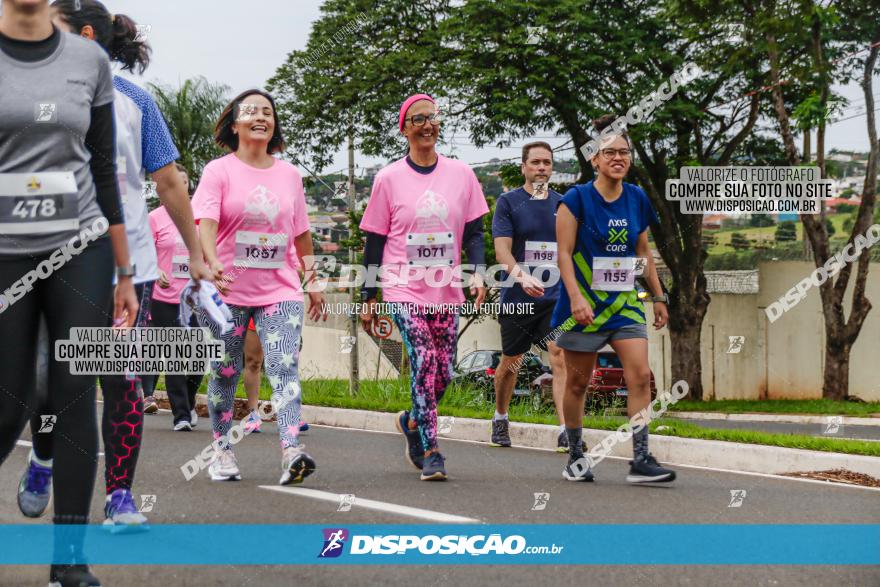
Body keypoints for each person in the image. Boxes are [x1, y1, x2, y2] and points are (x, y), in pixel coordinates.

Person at [15, 1, 210, 533]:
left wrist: (194, 250)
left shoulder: (134, 104)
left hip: (131, 268)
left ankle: (120, 496)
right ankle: (45, 458)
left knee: (125, 382)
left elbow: (169, 182)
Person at [0, 0, 139, 583]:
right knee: (13, 397)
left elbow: (103, 168)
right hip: (6, 250)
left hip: (80, 245)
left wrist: (126, 272)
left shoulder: (89, 60)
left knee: (77, 392)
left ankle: (70, 562)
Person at [192, 89, 327, 484]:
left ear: (274, 125)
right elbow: (206, 223)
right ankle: (221, 449)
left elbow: (301, 233)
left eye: (267, 112)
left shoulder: (289, 175)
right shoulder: (218, 171)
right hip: (227, 291)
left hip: (280, 289)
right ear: (234, 124)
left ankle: (291, 449)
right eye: (250, 111)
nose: (260, 117)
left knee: (284, 365)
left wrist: (311, 278)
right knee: (225, 370)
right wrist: (213, 261)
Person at [359, 93, 489, 481]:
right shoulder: (388, 178)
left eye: (432, 117)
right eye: (418, 119)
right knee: (424, 359)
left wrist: (478, 272)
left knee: (445, 371)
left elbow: (475, 231)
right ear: (405, 129)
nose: (427, 124)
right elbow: (375, 242)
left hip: (445, 288)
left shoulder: (462, 174)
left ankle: (411, 420)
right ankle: (432, 451)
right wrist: (368, 297)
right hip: (402, 286)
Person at [552, 114, 673, 483]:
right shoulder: (576, 199)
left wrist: (657, 295)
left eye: (624, 152)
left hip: (624, 305)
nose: (618, 158)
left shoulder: (636, 198)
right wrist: (575, 298)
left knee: (640, 377)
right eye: (610, 153)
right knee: (577, 383)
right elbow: (563, 253)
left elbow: (643, 251)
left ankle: (640, 460)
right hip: (584, 308)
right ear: (594, 158)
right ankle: (575, 454)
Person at [489, 141, 583, 452]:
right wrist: (521, 277)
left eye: (547, 162)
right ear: (524, 168)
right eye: (536, 162)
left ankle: (564, 429)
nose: (542, 167)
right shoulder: (508, 203)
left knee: (559, 356)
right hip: (518, 298)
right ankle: (501, 416)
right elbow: (502, 250)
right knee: (512, 363)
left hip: (554, 298)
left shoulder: (565, 204)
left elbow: (570, 251)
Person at [142, 162, 205, 431]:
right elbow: (141, 253)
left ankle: (189, 401)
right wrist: (155, 269)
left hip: (197, 298)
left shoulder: (201, 216)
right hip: (166, 299)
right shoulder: (154, 218)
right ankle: (180, 415)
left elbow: (214, 250)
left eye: (184, 182)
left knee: (199, 357)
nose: (179, 187)